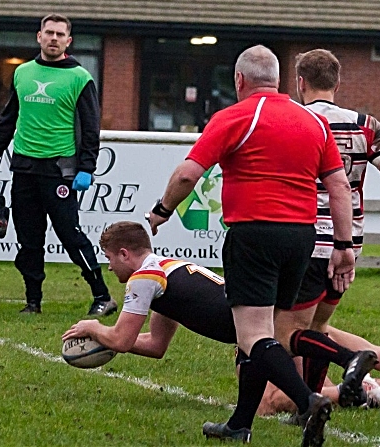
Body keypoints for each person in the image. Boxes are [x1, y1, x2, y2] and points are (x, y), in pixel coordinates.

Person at [147, 45, 355, 446]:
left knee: (253, 335)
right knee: (266, 333)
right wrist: (343, 245)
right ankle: (240, 424)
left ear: (239, 80)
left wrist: (162, 209)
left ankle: (307, 400)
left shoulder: (235, 116)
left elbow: (189, 174)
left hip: (255, 233)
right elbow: (339, 186)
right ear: (279, 80)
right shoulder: (313, 123)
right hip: (302, 237)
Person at [62, 221, 380, 416]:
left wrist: (95, 329)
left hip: (249, 323)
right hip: (248, 324)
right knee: (283, 385)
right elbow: (156, 346)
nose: (109, 267)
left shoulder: (142, 280)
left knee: (278, 385)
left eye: (109, 258)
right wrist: (105, 339)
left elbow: (120, 340)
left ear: (124, 254)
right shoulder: (165, 269)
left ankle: (359, 378)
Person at [274, 48, 380, 401]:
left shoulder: (294, 121)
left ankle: (326, 379)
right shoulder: (366, 125)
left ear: (300, 83)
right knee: (319, 326)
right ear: (337, 83)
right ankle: (312, 401)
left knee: (288, 333)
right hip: (348, 244)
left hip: (306, 241)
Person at [0, 14, 114, 316]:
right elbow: (8, 120)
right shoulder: (23, 73)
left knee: (70, 235)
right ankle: (33, 302)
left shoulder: (80, 77)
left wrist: (86, 167)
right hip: (24, 169)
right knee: (29, 239)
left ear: (69, 41)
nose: (53, 38)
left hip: (60, 172)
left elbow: (91, 128)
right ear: (38, 36)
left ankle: (102, 295)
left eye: (60, 34)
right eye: (49, 33)